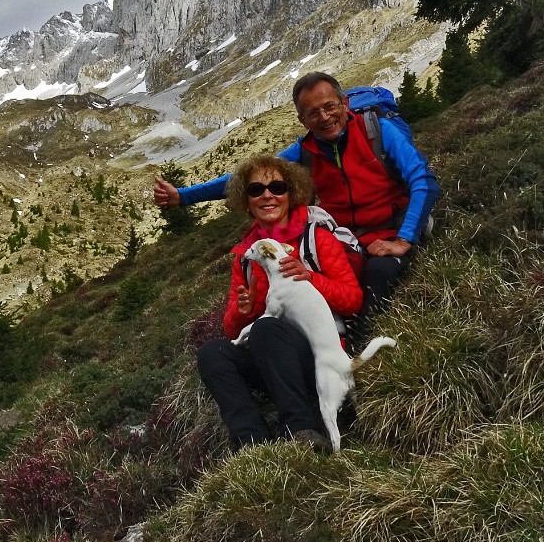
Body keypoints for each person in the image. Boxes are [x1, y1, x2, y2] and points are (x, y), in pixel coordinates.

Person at [156, 71, 438, 336]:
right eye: (313, 113)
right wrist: (183, 196)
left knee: (379, 270)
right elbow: (249, 178)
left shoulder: (378, 131)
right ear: (302, 120)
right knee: (313, 277)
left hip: (390, 227)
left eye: (330, 106)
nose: (325, 117)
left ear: (345, 103)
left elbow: (423, 180)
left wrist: (402, 239)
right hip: (346, 239)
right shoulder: (305, 152)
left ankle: (355, 339)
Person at [196, 153, 364, 449]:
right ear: (247, 202)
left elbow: (352, 300)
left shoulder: (317, 239)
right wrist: (241, 311)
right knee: (212, 353)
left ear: (292, 193)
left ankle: (300, 430)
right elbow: (232, 331)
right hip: (272, 359)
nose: (267, 195)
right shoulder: (247, 257)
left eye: (277, 187)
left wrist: (312, 279)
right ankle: (251, 442)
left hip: (318, 359)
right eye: (256, 190)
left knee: (266, 329)